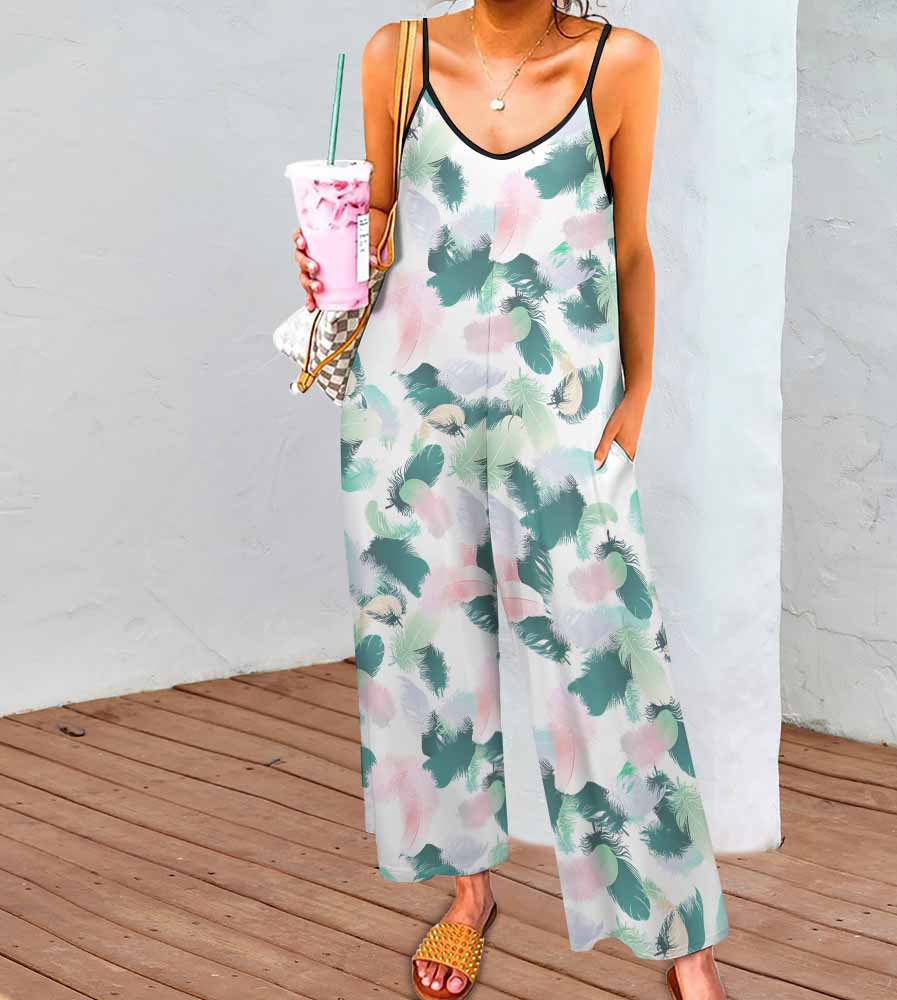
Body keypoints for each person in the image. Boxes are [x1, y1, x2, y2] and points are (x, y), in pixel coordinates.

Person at [292, 3, 729, 997]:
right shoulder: (398, 54)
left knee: (608, 651)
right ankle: (467, 892)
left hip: (560, 405)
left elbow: (629, 244)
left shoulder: (621, 63)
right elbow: (374, 228)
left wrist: (639, 391)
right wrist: (320, 265)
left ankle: (683, 937)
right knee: (427, 655)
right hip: (407, 404)